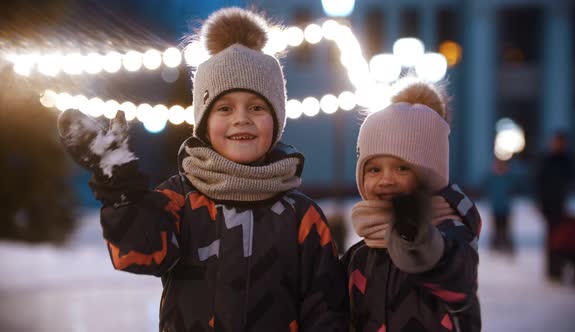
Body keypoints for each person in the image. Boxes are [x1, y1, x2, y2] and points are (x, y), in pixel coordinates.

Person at [57, 7, 348, 331]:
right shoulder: (178, 199)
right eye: (224, 108)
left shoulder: (301, 216)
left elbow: (327, 311)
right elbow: (139, 252)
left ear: (277, 120)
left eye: (257, 107)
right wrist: (122, 188)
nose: (241, 118)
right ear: (204, 122)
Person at [342, 77, 482, 331]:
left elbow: (456, 278)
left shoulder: (451, 234)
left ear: (430, 176)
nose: (386, 180)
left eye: (402, 168)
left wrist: (418, 240)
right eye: (374, 169)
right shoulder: (360, 254)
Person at [535, 131, 575, 283]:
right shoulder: (547, 160)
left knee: (561, 239)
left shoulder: (566, 160)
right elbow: (538, 182)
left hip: (561, 205)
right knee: (552, 239)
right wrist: (539, 202)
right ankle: (553, 271)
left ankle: (559, 269)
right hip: (549, 206)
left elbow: (573, 177)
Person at [484, 157, 516, 255]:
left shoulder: (508, 178)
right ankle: (495, 247)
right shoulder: (492, 178)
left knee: (505, 229)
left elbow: (513, 189)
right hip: (495, 208)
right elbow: (486, 188)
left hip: (505, 208)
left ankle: (506, 247)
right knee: (496, 229)